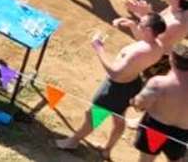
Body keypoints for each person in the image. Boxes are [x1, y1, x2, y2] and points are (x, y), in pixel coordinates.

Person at [60, 14, 169, 153]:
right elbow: (144, 41)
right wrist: (133, 27)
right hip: (132, 84)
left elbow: (115, 72)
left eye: (140, 22)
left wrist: (99, 48)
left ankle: (72, 142)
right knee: (118, 118)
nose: (137, 22)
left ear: (148, 29)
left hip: (115, 88)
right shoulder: (157, 45)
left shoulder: (140, 52)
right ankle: (107, 150)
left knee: (93, 115)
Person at [133, 51, 188, 162]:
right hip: (181, 133)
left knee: (146, 160)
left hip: (155, 128)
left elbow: (139, 105)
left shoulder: (159, 83)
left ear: (171, 59)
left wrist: (133, 102)